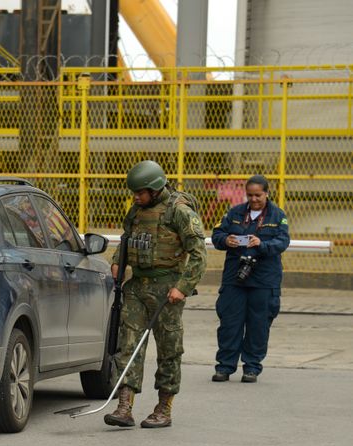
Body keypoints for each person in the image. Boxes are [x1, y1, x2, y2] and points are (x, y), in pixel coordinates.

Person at [104, 160, 207, 429]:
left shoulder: (180, 212)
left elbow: (198, 254)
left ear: (155, 188)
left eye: (140, 193)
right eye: (134, 193)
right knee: (128, 344)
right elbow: (128, 237)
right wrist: (118, 261)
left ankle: (164, 408)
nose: (136, 198)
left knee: (169, 349)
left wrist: (182, 288)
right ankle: (124, 406)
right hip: (137, 287)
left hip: (166, 288)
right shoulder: (137, 210)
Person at [211, 175, 290, 383]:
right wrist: (226, 240)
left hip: (264, 279)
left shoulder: (277, 215)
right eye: (250, 195)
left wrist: (261, 245)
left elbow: (283, 241)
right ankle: (225, 366)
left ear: (267, 193)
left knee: (258, 325)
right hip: (235, 277)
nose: (254, 199)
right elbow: (217, 234)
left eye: (258, 195)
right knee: (229, 323)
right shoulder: (235, 212)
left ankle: (252, 367)